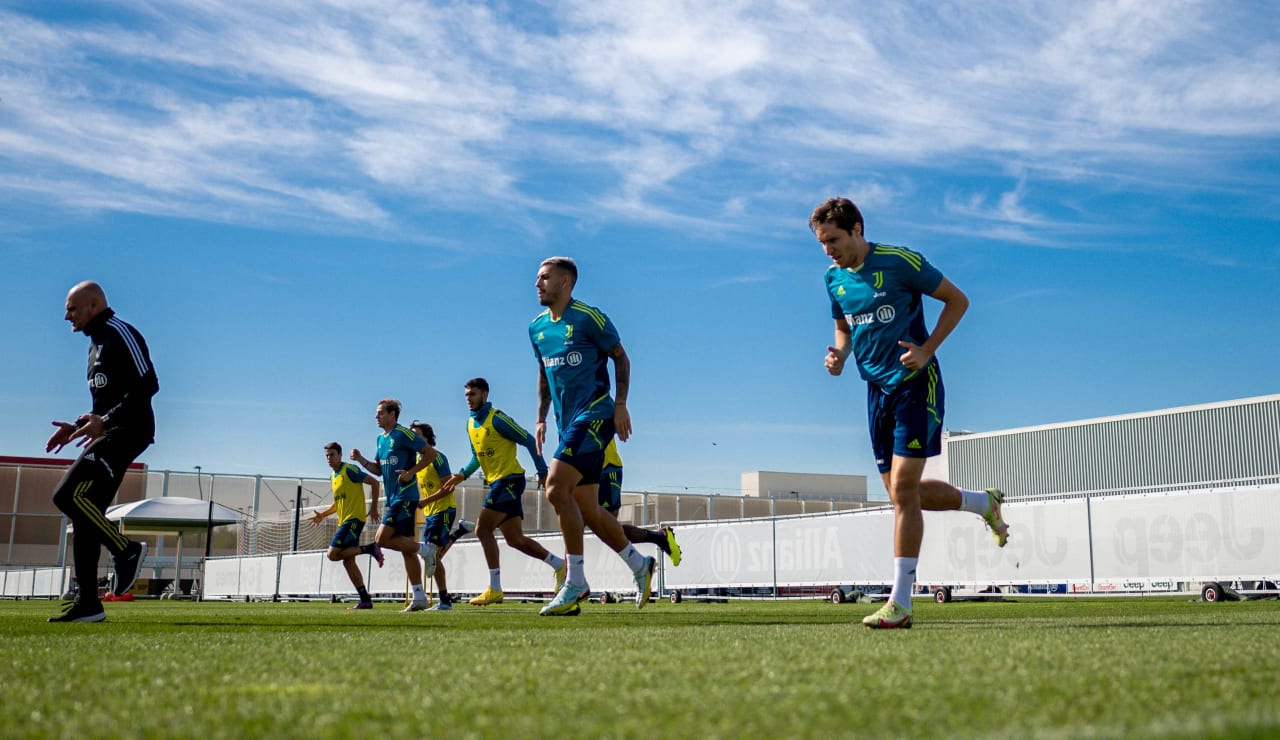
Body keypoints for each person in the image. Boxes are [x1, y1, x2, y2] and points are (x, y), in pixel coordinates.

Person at [810, 197, 1009, 630]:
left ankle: (900, 601)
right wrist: (840, 356)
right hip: (875, 392)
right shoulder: (833, 279)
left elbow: (958, 301)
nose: (828, 250)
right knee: (905, 496)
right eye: (822, 243)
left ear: (858, 229)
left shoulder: (899, 262)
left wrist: (927, 349)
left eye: (834, 240)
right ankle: (983, 503)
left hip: (916, 384)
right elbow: (843, 328)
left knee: (902, 491)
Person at [530, 257, 655, 616]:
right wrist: (540, 418)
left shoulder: (589, 318)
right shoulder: (537, 328)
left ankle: (575, 581)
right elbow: (542, 373)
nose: (537, 283)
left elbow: (621, 358)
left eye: (544, 277)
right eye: (536, 278)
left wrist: (620, 405)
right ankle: (638, 564)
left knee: (555, 487)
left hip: (596, 413)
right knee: (589, 508)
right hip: (566, 421)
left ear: (566, 281)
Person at [45, 281, 158, 623]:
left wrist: (105, 420)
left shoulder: (120, 332)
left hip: (129, 432)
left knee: (65, 496)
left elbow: (148, 385)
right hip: (108, 431)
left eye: (72, 308)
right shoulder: (93, 347)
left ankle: (126, 550)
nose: (66, 316)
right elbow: (108, 400)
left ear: (93, 305)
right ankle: (89, 605)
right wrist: (81, 422)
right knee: (85, 515)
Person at [438, 379, 566, 609]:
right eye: (466, 395)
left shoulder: (497, 418)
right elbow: (477, 457)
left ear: (485, 395)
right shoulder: (470, 424)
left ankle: (495, 589)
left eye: (473, 394)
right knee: (515, 539)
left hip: (509, 480)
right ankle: (559, 565)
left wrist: (543, 471)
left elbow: (528, 439)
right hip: (498, 483)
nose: (469, 398)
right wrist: (462, 475)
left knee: (482, 529)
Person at [350, 399, 440, 612]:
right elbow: (379, 470)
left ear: (392, 414)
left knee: (381, 539)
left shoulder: (403, 434)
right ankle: (419, 597)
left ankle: (426, 550)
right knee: (406, 550)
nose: (376, 416)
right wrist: (361, 459)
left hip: (405, 496)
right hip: (393, 499)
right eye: (376, 413)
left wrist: (411, 472)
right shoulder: (381, 439)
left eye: (381, 412)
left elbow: (430, 453)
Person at [408, 421, 474, 611]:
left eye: (417, 435)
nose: (414, 439)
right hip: (431, 513)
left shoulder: (436, 457)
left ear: (427, 438)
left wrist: (426, 501)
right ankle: (459, 532)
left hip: (443, 510)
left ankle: (445, 601)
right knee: (432, 557)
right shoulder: (418, 461)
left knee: (433, 556)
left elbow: (448, 486)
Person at [310, 442, 384, 609]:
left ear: (340, 455)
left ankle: (370, 548)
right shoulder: (333, 476)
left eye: (332, 455)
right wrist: (323, 515)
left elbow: (375, 482)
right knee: (348, 562)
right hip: (344, 521)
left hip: (354, 519)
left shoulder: (349, 470)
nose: (329, 458)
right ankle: (365, 599)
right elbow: (337, 503)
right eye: (327, 456)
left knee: (332, 554)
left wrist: (373, 508)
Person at [600, 440, 681, 566]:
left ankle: (569, 578)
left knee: (607, 529)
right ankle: (659, 537)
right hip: (582, 470)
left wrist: (620, 418)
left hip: (605, 468)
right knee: (598, 527)